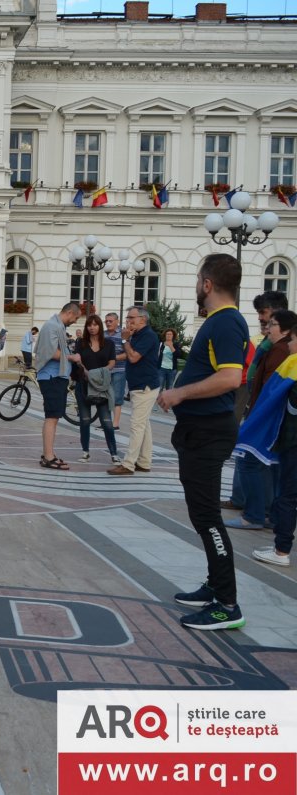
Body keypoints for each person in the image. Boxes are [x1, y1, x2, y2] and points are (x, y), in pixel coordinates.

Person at [157, 253, 249, 631]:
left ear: (207, 284)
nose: (197, 286)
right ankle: (215, 585)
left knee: (207, 516)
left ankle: (227, 604)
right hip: (200, 431)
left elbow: (230, 378)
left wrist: (179, 394)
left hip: (209, 432)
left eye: (198, 280)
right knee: (201, 514)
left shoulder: (226, 323)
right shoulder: (220, 321)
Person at [225, 309, 296, 530]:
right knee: (271, 466)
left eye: (272, 324)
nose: (266, 327)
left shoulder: (281, 352)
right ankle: (267, 514)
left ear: (285, 330)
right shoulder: (275, 348)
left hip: (269, 418)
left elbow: (273, 390)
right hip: (268, 416)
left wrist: (258, 416)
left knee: (249, 460)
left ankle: (255, 515)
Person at [250, 333, 297, 569]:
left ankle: (281, 550)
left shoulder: (293, 365)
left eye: (293, 339)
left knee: (288, 496)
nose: (289, 344)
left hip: (293, 442)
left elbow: (274, 398)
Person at [108, 305, 160, 476]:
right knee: (144, 425)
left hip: (145, 385)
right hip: (139, 385)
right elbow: (129, 355)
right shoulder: (137, 335)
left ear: (142, 319)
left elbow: (134, 357)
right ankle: (144, 462)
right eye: (127, 318)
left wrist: (124, 340)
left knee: (137, 425)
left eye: (131, 318)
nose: (127, 321)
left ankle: (129, 464)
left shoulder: (148, 336)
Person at [34, 301, 83, 470]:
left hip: (57, 376)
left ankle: (49, 453)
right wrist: (71, 357)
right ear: (69, 313)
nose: (75, 321)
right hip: (51, 377)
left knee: (54, 417)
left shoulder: (58, 326)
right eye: (75, 318)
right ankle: (48, 456)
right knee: (52, 417)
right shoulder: (51, 326)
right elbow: (50, 352)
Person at [68, 314, 119, 464]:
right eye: (89, 325)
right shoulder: (81, 343)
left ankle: (114, 454)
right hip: (83, 385)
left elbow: (112, 363)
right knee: (84, 420)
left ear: (100, 326)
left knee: (106, 422)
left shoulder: (108, 344)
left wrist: (97, 373)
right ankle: (85, 452)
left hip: (101, 387)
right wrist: (84, 370)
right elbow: (78, 359)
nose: (92, 327)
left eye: (95, 324)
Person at [105, 312, 128, 429]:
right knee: (105, 396)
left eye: (110, 321)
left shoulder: (122, 334)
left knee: (117, 396)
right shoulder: (103, 335)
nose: (108, 323)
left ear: (117, 321)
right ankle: (106, 421)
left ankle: (116, 423)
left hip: (119, 369)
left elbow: (127, 353)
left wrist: (113, 359)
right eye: (106, 321)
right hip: (105, 370)